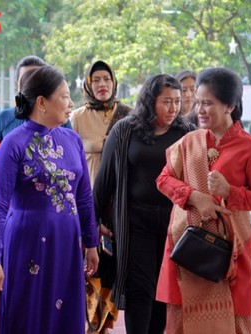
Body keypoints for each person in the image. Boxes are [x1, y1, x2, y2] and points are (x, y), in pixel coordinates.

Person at [0, 65, 99, 333]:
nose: (71, 103)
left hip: (66, 242)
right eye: (65, 96)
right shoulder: (12, 144)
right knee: (27, 313)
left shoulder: (72, 140)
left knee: (65, 315)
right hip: (26, 241)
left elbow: (83, 196)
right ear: (42, 102)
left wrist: (91, 243)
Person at [155, 67, 251, 333]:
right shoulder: (189, 141)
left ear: (230, 105)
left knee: (234, 319)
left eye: (207, 103)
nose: (200, 110)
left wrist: (230, 191)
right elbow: (163, 179)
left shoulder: (250, 147)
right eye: (198, 103)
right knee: (180, 318)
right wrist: (195, 197)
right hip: (186, 247)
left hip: (229, 252)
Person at [93, 74, 193, 334]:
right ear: (151, 101)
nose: (173, 108)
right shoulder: (125, 129)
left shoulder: (186, 132)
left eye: (178, 102)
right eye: (167, 101)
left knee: (164, 291)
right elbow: (104, 181)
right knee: (141, 290)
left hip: (174, 226)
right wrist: (91, 224)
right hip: (135, 223)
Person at [71, 60, 131, 333]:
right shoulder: (77, 118)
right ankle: (90, 321)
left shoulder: (128, 115)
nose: (102, 84)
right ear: (88, 84)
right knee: (88, 263)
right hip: (85, 198)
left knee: (112, 263)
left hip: (117, 201)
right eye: (96, 80)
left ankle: (105, 323)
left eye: (106, 78)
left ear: (114, 81)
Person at [0, 55, 72, 142]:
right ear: (17, 84)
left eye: (36, 81)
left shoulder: (60, 119)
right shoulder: (4, 119)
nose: (30, 85)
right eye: (26, 80)